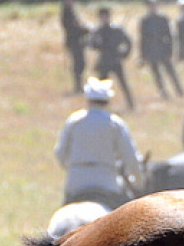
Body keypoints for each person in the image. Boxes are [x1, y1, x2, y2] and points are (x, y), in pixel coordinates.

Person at [54, 77, 143, 208]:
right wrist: (138, 183)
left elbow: (60, 154)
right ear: (108, 101)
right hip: (107, 182)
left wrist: (74, 167)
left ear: (88, 100)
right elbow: (130, 158)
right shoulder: (115, 123)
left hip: (76, 182)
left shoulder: (74, 120)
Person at [89, 6, 135, 111]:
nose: (104, 19)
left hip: (116, 60)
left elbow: (128, 42)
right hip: (103, 61)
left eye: (106, 16)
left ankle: (131, 105)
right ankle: (101, 107)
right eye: (102, 17)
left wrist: (124, 54)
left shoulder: (117, 29)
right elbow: (91, 44)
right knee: (101, 87)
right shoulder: (98, 31)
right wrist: (97, 43)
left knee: (123, 84)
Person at [138, 0, 183, 99]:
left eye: (154, 5)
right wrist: (143, 55)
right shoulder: (144, 20)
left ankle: (179, 91)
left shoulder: (163, 18)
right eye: (150, 5)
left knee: (170, 71)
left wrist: (170, 50)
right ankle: (163, 93)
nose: (152, 7)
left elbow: (170, 36)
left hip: (163, 48)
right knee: (156, 74)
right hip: (151, 49)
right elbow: (142, 39)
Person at [60, 0, 89, 95]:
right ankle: (78, 87)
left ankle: (79, 86)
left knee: (80, 63)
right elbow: (72, 28)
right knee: (79, 64)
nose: (72, 1)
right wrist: (86, 30)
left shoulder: (71, 11)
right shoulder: (66, 13)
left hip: (77, 41)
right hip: (73, 41)